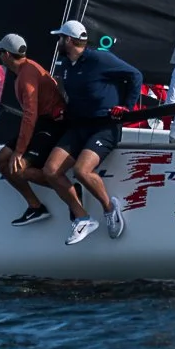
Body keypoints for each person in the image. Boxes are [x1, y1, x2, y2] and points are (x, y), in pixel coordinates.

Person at [41, 20, 144, 245]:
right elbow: (64, 88)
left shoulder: (99, 58)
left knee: (81, 171)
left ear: (68, 40)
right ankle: (82, 217)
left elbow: (135, 75)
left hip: (104, 126)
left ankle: (109, 209)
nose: (58, 41)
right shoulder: (66, 64)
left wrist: (127, 106)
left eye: (60, 38)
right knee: (50, 171)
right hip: (78, 125)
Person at [0, 33, 67, 226]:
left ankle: (70, 189)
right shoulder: (26, 69)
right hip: (40, 122)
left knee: (18, 168)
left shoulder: (26, 76)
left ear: (6, 54)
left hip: (50, 124)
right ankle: (35, 207)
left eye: (0, 52)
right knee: (0, 160)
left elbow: (30, 115)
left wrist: (20, 151)